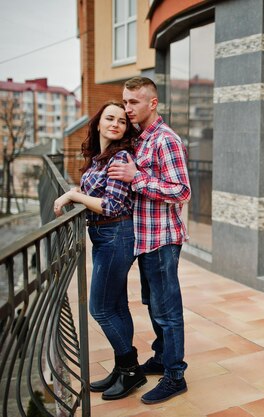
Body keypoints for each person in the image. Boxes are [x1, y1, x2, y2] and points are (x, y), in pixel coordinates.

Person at [54, 101, 146, 400]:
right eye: (110, 118)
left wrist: (72, 195)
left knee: (101, 308)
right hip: (105, 235)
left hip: (116, 234)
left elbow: (111, 205)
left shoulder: (120, 157)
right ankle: (123, 370)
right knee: (117, 305)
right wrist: (79, 195)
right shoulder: (98, 158)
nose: (116, 124)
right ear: (97, 122)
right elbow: (99, 195)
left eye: (122, 121)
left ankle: (131, 369)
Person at [107, 76, 191, 405]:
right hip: (144, 238)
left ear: (152, 103)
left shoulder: (164, 139)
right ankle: (161, 357)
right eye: (124, 102)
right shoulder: (140, 138)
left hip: (162, 240)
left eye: (133, 103)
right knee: (154, 305)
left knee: (168, 312)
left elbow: (181, 191)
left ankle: (175, 376)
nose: (127, 108)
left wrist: (136, 178)